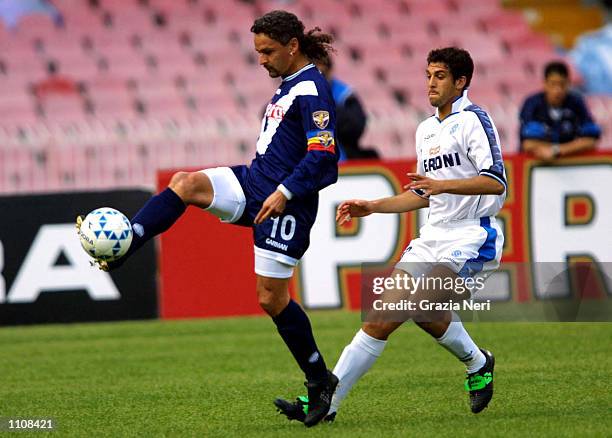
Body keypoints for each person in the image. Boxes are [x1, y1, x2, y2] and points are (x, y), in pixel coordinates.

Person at [76, 10, 339, 428]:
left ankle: (318, 381)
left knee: (270, 299)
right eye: (257, 52)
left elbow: (325, 159)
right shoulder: (289, 84)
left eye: (268, 51)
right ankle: (127, 244)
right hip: (255, 183)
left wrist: (285, 192)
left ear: (292, 46)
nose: (261, 60)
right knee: (186, 183)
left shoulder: (312, 89)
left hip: (284, 203)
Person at [275, 47, 506, 421]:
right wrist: (373, 206)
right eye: (428, 74)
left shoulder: (474, 121)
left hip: (471, 236)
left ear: (461, 81)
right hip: (433, 235)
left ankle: (476, 362)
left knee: (422, 306)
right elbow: (422, 192)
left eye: (441, 76)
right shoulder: (426, 129)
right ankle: (328, 405)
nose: (431, 83)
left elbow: (495, 182)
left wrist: (441, 187)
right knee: (379, 318)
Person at [519, 61, 601, 161]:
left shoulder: (576, 103)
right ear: (545, 83)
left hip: (571, 167)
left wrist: (557, 150)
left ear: (568, 84)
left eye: (562, 84)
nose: (558, 90)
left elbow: (591, 141)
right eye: (553, 84)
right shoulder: (532, 104)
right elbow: (528, 144)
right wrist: (573, 146)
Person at [315, 55, 379, 161]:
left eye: (322, 74)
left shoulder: (344, 95)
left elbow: (356, 125)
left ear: (330, 71)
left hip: (343, 158)